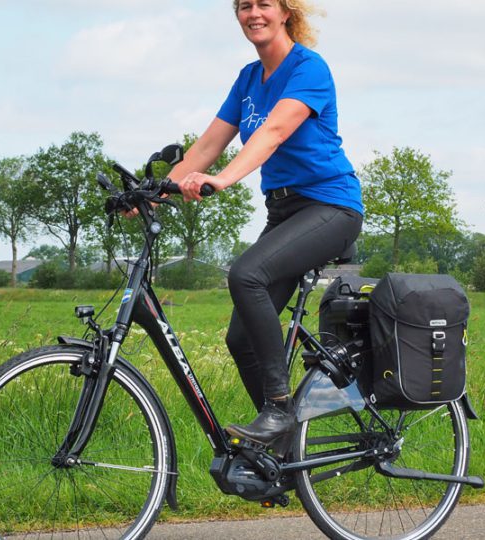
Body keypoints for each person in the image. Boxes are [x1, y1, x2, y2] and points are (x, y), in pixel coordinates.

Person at [169, 0, 364, 448]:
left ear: (285, 12)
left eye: (263, 4)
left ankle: (279, 410)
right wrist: (155, 193)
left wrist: (222, 180)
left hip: (330, 206)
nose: (253, 13)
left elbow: (273, 132)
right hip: (284, 212)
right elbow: (206, 146)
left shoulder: (308, 68)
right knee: (241, 339)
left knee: (247, 274)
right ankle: (279, 452)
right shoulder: (248, 78)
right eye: (243, 6)